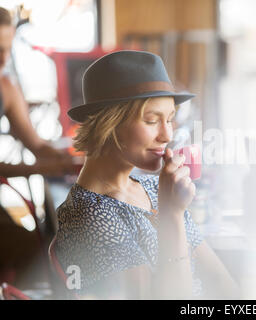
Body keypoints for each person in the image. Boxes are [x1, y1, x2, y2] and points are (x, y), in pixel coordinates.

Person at [54, 50, 240, 299]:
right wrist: (171, 214)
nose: (167, 136)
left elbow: (221, 281)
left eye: (170, 120)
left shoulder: (154, 187)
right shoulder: (88, 215)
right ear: (109, 124)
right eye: (152, 121)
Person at [0, 6, 75, 178]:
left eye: (7, 50)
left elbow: (37, 146)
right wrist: (38, 169)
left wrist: (73, 160)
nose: (3, 59)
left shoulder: (7, 88)